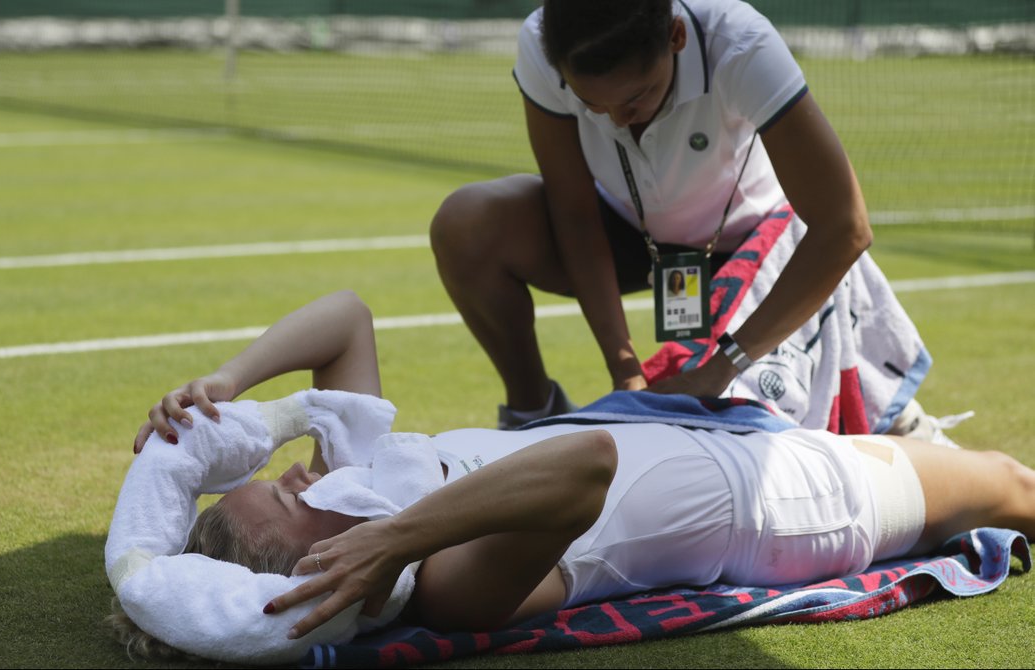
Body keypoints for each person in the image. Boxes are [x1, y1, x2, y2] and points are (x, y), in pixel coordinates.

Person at [126, 290, 1035, 648]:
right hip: (781, 507)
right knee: (1007, 485)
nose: (295, 473)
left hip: (715, 431)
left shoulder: (355, 483)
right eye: (286, 500)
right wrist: (395, 541)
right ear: (325, 575)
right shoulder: (447, 582)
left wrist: (227, 382)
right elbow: (583, 466)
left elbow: (347, 318)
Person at [429, 0, 932, 432]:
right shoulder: (544, 41)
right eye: (590, 104)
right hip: (630, 230)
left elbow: (845, 226)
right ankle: (531, 411)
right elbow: (575, 213)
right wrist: (623, 367)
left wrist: (720, 368)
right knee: (468, 223)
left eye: (637, 96)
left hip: (754, 243)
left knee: (739, 430)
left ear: (675, 36)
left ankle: (895, 413)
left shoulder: (742, 43)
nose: (616, 120)